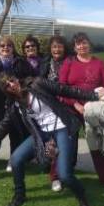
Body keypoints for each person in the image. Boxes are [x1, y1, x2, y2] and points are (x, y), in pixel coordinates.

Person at [0, 74, 104, 206]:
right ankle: (19, 195)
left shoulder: (37, 84)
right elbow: (2, 128)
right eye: (7, 85)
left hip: (62, 128)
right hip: (42, 134)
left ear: (16, 78)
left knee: (64, 175)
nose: (12, 85)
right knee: (16, 159)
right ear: (5, 90)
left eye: (12, 80)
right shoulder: (15, 105)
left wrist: (93, 95)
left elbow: (64, 90)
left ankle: (81, 195)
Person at [59, 32, 104, 194]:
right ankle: (57, 177)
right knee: (66, 143)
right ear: (74, 47)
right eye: (78, 44)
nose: (81, 46)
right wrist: (76, 104)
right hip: (71, 109)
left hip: (93, 110)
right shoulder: (69, 63)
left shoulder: (99, 64)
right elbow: (62, 88)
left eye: (84, 43)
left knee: (97, 144)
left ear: (89, 44)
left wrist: (97, 105)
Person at [0, 35, 36, 170]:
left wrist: (22, 90)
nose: (5, 48)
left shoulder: (21, 62)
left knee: (15, 132)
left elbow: (30, 78)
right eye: (2, 46)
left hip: (16, 101)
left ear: (13, 48)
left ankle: (13, 159)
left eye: (9, 45)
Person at [39, 35, 70, 192]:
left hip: (68, 107)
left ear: (64, 48)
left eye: (59, 46)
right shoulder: (45, 63)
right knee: (53, 143)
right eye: (54, 47)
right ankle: (55, 177)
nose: (56, 50)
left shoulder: (70, 62)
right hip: (50, 107)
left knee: (69, 143)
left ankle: (67, 172)